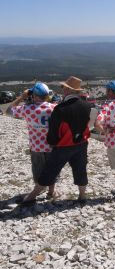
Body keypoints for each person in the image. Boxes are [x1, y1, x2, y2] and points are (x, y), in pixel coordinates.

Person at [21, 76, 92, 204]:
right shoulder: (87, 105)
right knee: (81, 169)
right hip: (81, 143)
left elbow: (54, 133)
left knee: (50, 170)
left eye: (64, 87)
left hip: (64, 145)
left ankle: (32, 196)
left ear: (68, 90)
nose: (62, 89)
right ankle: (82, 196)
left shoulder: (60, 109)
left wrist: (53, 143)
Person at [6, 82, 58, 202]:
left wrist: (22, 97)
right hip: (52, 145)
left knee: (38, 169)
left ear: (34, 95)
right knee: (52, 168)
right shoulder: (54, 108)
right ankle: (51, 191)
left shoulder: (28, 109)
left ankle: (38, 189)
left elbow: (8, 111)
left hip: (36, 146)